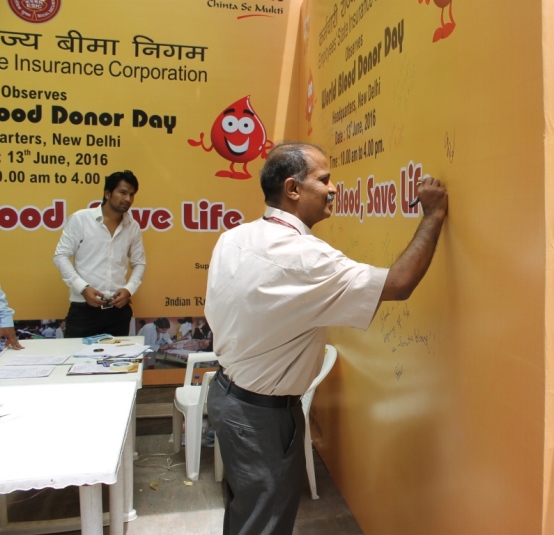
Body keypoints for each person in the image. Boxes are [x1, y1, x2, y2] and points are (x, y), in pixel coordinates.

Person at [205, 142, 448, 535]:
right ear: (293, 188)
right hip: (262, 419)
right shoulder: (307, 258)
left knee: (246, 514)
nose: (333, 189)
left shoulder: (232, 238)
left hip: (227, 397)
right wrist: (433, 215)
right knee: (264, 522)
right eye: (324, 179)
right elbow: (399, 283)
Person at [53, 170, 146, 338]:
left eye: (132, 194)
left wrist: (129, 289)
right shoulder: (81, 219)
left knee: (119, 356)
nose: (128, 199)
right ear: (107, 193)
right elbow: (61, 256)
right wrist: (83, 288)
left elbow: (139, 262)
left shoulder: (132, 226)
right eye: (123, 192)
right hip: (83, 310)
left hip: (118, 311)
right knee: (77, 355)